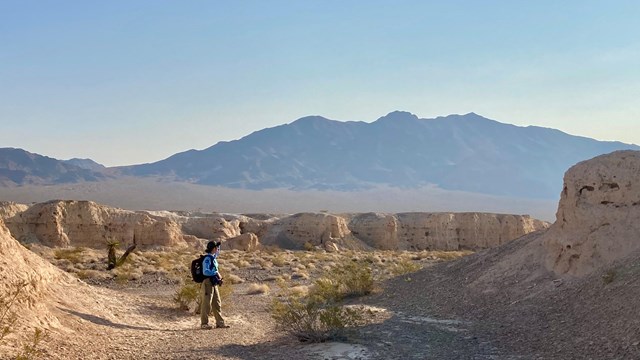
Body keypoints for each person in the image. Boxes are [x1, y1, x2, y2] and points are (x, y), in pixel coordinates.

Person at [200, 241, 229, 329]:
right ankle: (204, 324)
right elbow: (206, 271)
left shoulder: (213, 258)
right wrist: (215, 272)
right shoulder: (208, 259)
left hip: (213, 283)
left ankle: (220, 323)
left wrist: (218, 277)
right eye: (216, 248)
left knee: (217, 302)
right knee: (206, 303)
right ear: (213, 249)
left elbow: (217, 254)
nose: (218, 250)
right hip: (208, 282)